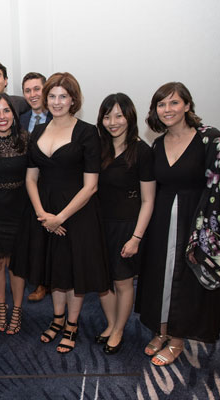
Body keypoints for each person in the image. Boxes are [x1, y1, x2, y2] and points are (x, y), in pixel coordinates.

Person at [135, 82, 220, 366]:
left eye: (174, 102)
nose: (167, 109)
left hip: (197, 220)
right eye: (161, 104)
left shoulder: (210, 139)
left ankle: (177, 340)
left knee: (185, 280)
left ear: (187, 105)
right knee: (160, 275)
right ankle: (161, 330)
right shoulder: (157, 144)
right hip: (161, 220)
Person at [13, 72, 110, 353]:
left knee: (72, 270)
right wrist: (43, 215)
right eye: (52, 96)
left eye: (63, 96)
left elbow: (91, 186)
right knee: (54, 269)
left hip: (76, 213)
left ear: (73, 100)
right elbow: (31, 178)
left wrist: (60, 218)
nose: (57, 102)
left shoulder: (87, 132)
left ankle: (72, 324)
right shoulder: (38, 131)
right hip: (43, 213)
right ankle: (57, 319)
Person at [95, 93, 155, 354]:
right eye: (107, 116)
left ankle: (119, 330)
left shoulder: (142, 151)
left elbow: (148, 200)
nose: (113, 122)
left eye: (119, 116)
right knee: (102, 281)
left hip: (127, 227)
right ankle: (110, 324)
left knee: (122, 281)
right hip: (99, 224)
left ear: (130, 117)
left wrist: (136, 238)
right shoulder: (99, 148)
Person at [0, 93, 29, 335]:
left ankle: (17, 309)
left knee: (17, 264)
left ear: (14, 114)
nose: (2, 116)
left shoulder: (26, 140)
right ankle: (2, 307)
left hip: (20, 209)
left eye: (6, 110)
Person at [20, 72, 53, 303]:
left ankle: (49, 282)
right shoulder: (20, 119)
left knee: (51, 236)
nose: (33, 94)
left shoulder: (58, 115)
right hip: (27, 183)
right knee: (34, 237)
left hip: (51, 184)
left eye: (37, 89)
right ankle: (38, 280)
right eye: (28, 90)